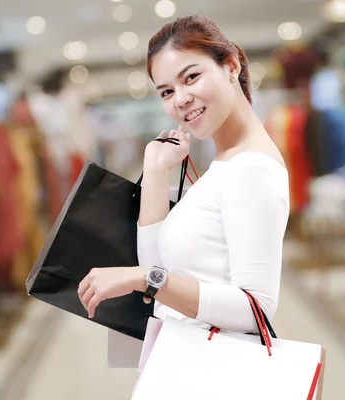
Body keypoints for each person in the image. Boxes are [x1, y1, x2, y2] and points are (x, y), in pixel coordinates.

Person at [77, 15, 290, 334]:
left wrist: (143, 279)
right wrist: (156, 169)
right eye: (166, 92)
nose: (180, 99)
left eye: (191, 77)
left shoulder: (251, 170)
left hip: (215, 370)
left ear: (231, 66)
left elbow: (256, 308)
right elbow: (157, 269)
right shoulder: (226, 164)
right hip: (183, 363)